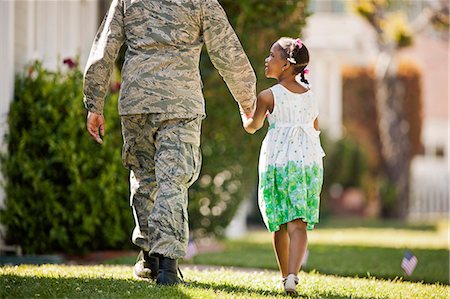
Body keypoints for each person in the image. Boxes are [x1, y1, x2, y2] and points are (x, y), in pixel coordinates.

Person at [83, 0, 256, 285]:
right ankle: (167, 266)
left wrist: (94, 103)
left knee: (144, 177)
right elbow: (227, 51)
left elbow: (106, 45)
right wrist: (247, 101)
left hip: (137, 101)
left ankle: (150, 257)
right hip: (181, 103)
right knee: (173, 180)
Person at [241, 37, 324, 295]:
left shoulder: (268, 96)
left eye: (272, 55)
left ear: (286, 65)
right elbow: (315, 128)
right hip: (307, 164)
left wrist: (244, 113)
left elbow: (253, 127)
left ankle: (283, 276)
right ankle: (292, 276)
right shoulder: (311, 95)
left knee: (279, 222)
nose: (267, 60)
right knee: (298, 223)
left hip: (278, 162)